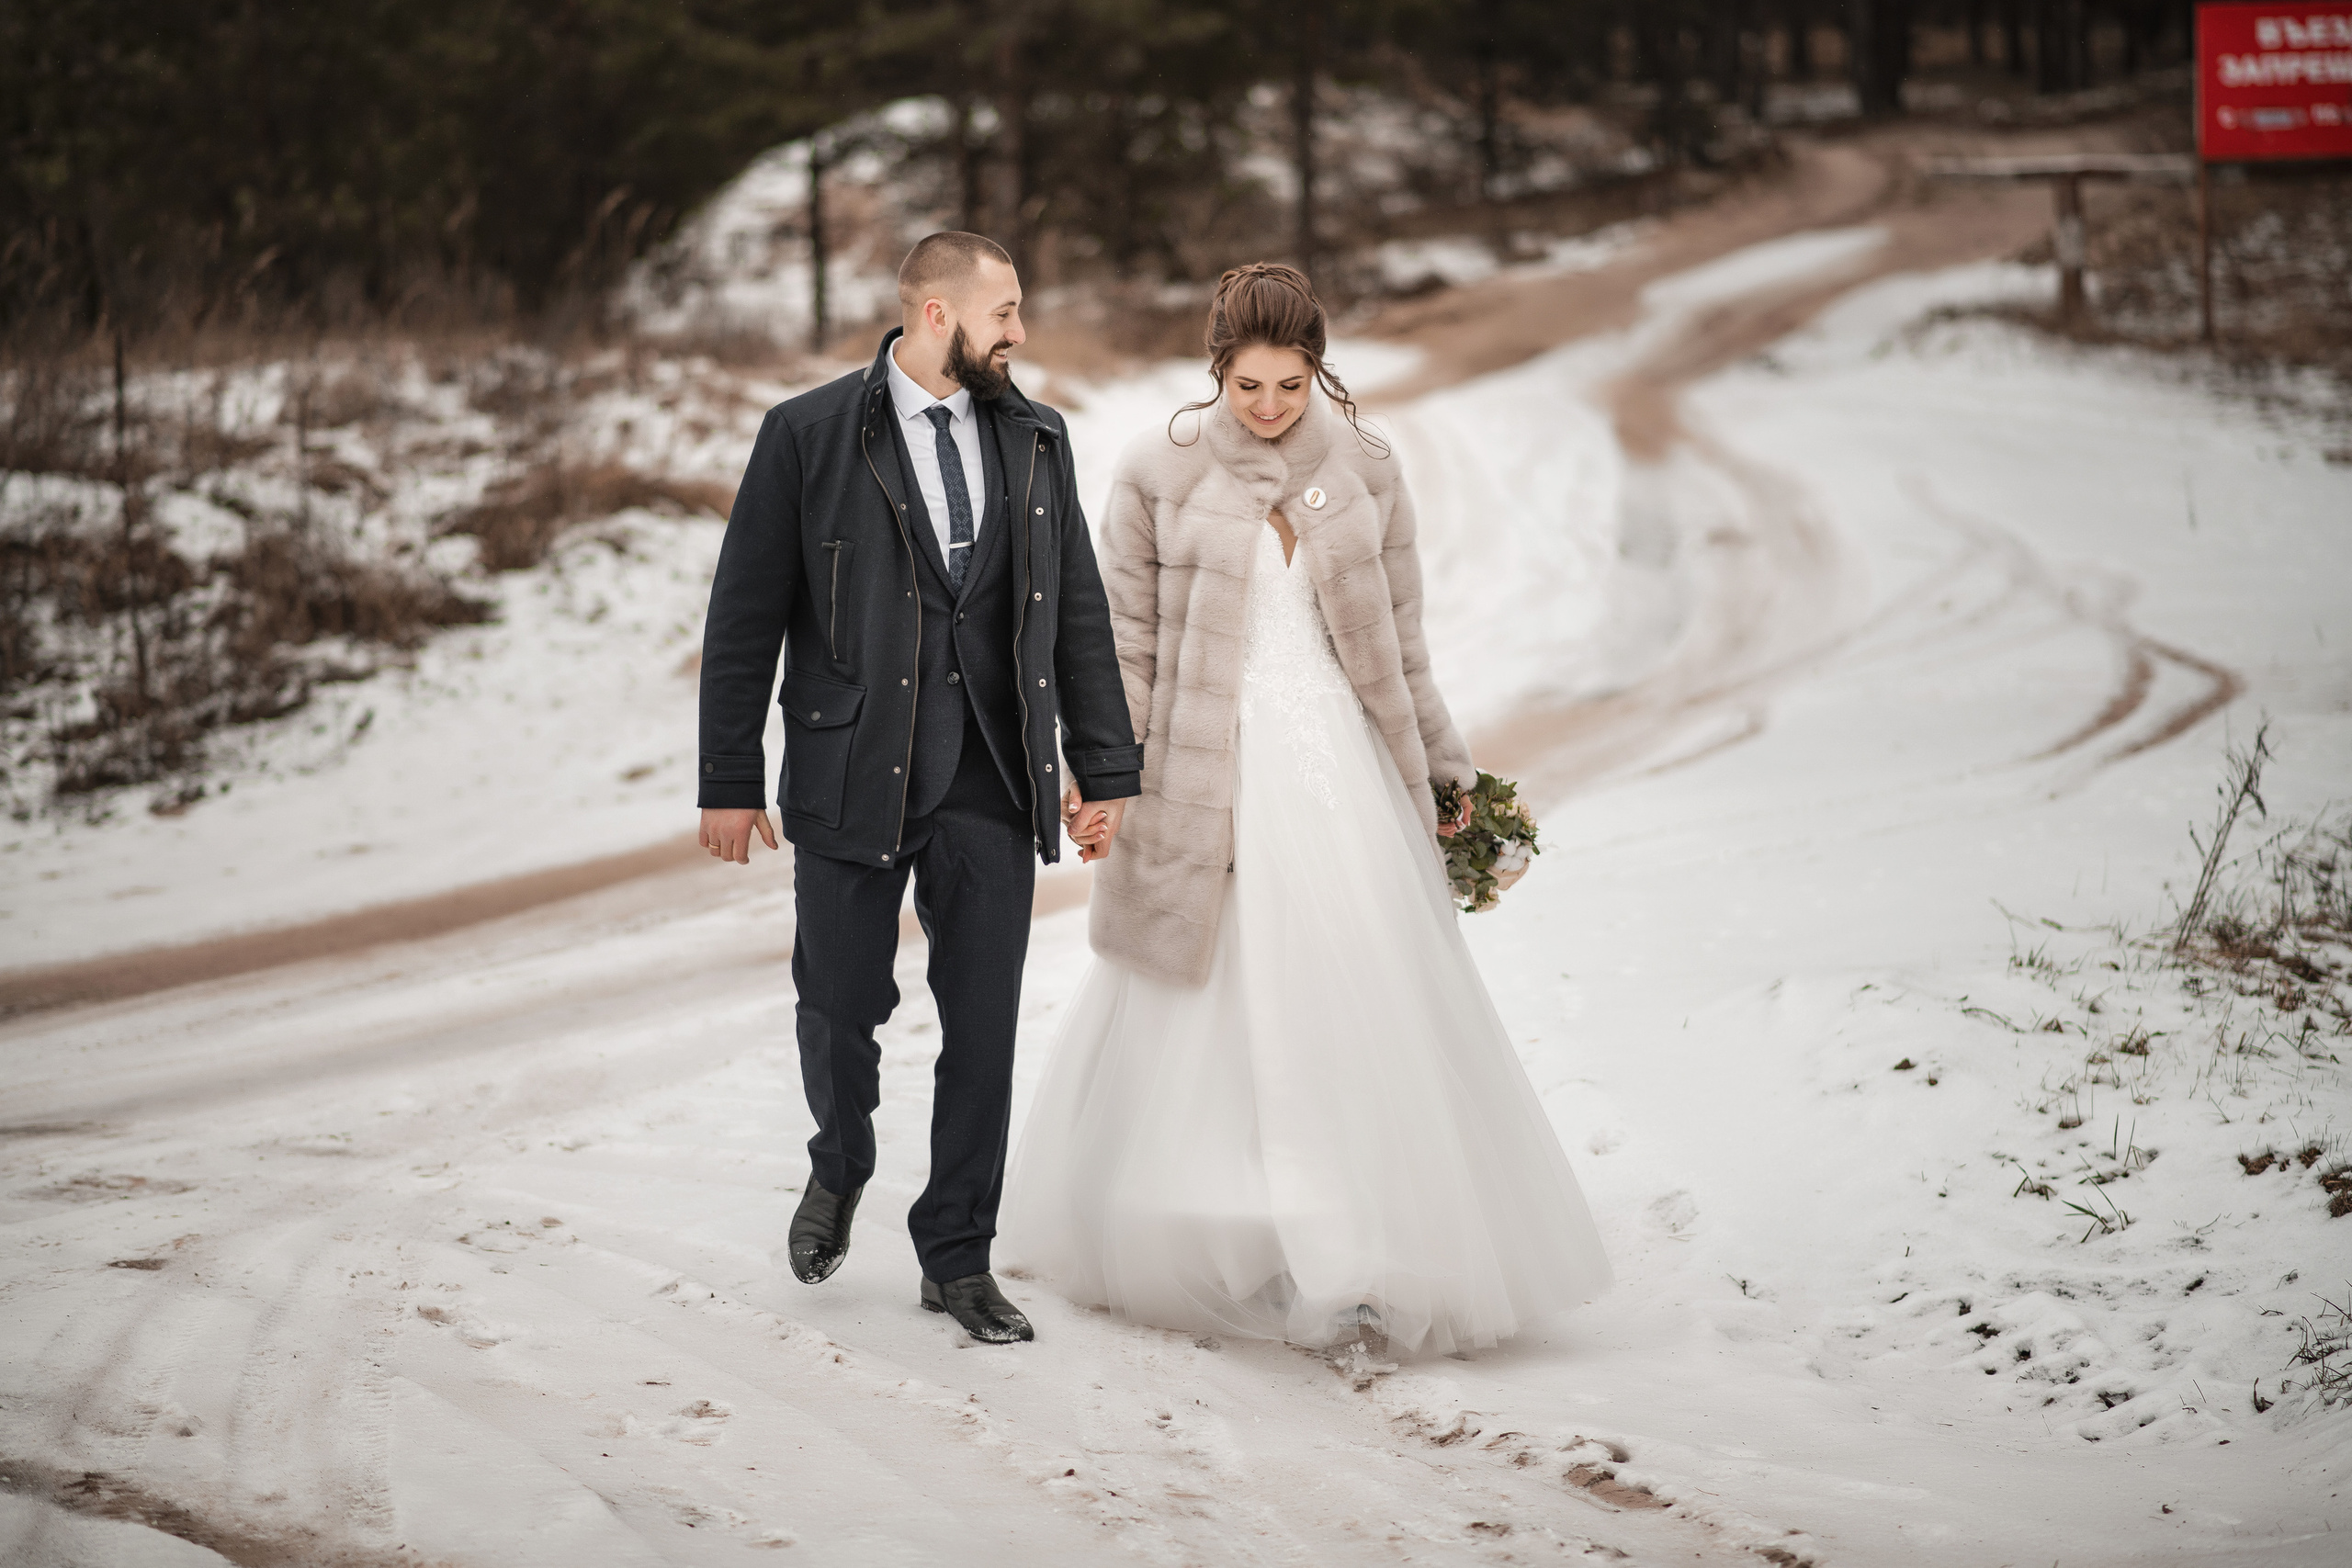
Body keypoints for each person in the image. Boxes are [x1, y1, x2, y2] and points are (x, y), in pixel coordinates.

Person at [1003, 264, 1611, 1356]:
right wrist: (1100, 776)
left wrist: (1439, 771)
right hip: (1205, 764)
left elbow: (1401, 644)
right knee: (1209, 994)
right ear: (1216, 373)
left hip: (1335, 766)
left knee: (1354, 997)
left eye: (1290, 386)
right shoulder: (1154, 471)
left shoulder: (1369, 469)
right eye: (1249, 387)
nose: (1271, 408)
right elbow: (1123, 646)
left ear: (1319, 372)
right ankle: (1230, 1240)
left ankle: (1362, 1251)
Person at [696, 232, 1141, 1345]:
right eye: (1006, 313)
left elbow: (1076, 611)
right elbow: (744, 619)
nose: (1021, 334)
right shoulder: (807, 435)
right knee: (840, 1005)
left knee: (983, 1030)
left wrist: (1105, 770)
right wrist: (729, 777)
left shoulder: (1036, 439)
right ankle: (840, 1161)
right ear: (936, 314)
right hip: (853, 768)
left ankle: (957, 1258)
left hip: (992, 773)